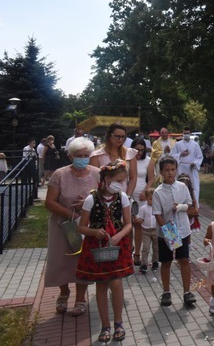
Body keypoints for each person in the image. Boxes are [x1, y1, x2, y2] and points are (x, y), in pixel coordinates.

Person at [75, 160, 134, 342]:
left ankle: (118, 322)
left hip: (117, 245)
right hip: (97, 247)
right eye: (119, 180)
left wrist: (119, 235)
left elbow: (128, 223)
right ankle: (105, 325)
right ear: (107, 180)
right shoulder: (91, 199)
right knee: (101, 285)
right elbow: (82, 227)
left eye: (124, 180)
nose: (122, 184)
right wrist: (95, 232)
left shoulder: (122, 197)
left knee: (116, 283)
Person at [43, 137, 99, 317]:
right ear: (70, 156)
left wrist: (90, 203)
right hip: (63, 225)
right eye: (78, 155)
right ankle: (64, 292)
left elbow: (105, 198)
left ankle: (80, 298)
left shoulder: (98, 173)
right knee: (60, 260)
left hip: (87, 227)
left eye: (86, 155)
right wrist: (72, 214)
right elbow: (49, 202)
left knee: (82, 262)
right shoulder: (60, 174)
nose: (82, 158)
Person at [152, 155, 196, 307]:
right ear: (161, 172)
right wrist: (167, 232)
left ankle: (186, 291)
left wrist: (180, 207)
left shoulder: (182, 187)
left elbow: (189, 204)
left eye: (173, 169)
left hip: (183, 229)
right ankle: (166, 291)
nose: (170, 173)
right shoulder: (158, 192)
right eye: (166, 170)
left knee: (184, 259)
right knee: (166, 261)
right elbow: (157, 213)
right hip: (167, 231)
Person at [89, 124, 138, 197]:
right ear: (109, 136)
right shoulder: (97, 155)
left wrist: (128, 196)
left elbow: (133, 177)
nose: (120, 140)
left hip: (123, 196)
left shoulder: (130, 154)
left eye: (123, 137)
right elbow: (93, 180)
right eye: (117, 137)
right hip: (102, 197)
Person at [131, 138, 155, 268]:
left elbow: (151, 179)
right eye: (136, 150)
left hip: (142, 195)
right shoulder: (128, 160)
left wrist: (145, 192)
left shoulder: (148, 161)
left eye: (142, 150)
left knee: (139, 225)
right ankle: (128, 250)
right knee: (128, 225)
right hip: (129, 196)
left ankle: (137, 253)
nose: (139, 152)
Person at [170, 127, 203, 208]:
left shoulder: (195, 144)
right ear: (182, 134)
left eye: (187, 133)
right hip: (181, 167)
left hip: (191, 167)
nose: (186, 135)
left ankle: (195, 203)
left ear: (190, 133)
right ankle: (180, 202)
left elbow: (200, 157)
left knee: (194, 185)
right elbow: (171, 155)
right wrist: (180, 154)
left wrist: (195, 163)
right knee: (181, 183)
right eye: (184, 133)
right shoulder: (178, 144)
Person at [136, 187, 159, 278]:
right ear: (146, 198)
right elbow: (141, 218)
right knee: (145, 248)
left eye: (154, 199)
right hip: (146, 231)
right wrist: (138, 220)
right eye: (150, 199)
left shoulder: (158, 207)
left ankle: (155, 262)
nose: (152, 201)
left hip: (156, 230)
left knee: (156, 248)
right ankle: (144, 264)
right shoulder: (143, 208)